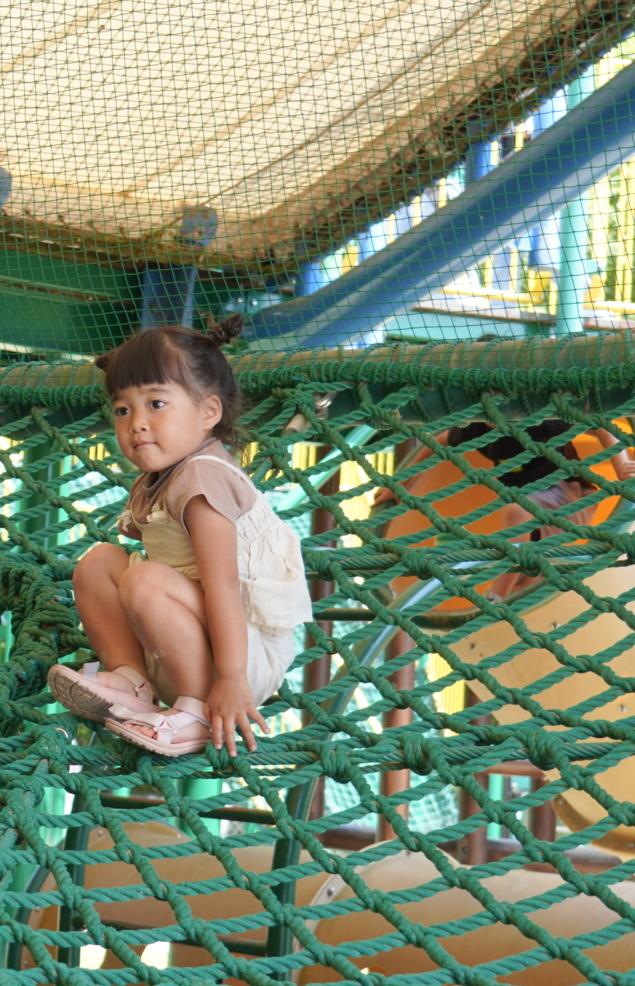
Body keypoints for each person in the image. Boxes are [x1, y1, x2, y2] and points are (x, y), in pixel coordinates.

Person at [47, 315, 310, 757]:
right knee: (99, 563)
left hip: (240, 661)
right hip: (182, 642)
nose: (136, 423)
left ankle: (197, 713)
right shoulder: (162, 476)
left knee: (142, 578)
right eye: (122, 409)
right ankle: (133, 681)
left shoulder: (204, 480)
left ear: (208, 412)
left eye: (156, 404)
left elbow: (223, 585)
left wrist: (230, 679)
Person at [373, 418, 634, 598]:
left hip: (570, 499)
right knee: (524, 579)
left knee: (515, 512)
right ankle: (520, 586)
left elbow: (598, 422)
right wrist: (399, 484)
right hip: (532, 512)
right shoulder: (477, 428)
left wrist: (622, 465)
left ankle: (495, 598)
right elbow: (438, 440)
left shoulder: (539, 421)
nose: (494, 418)